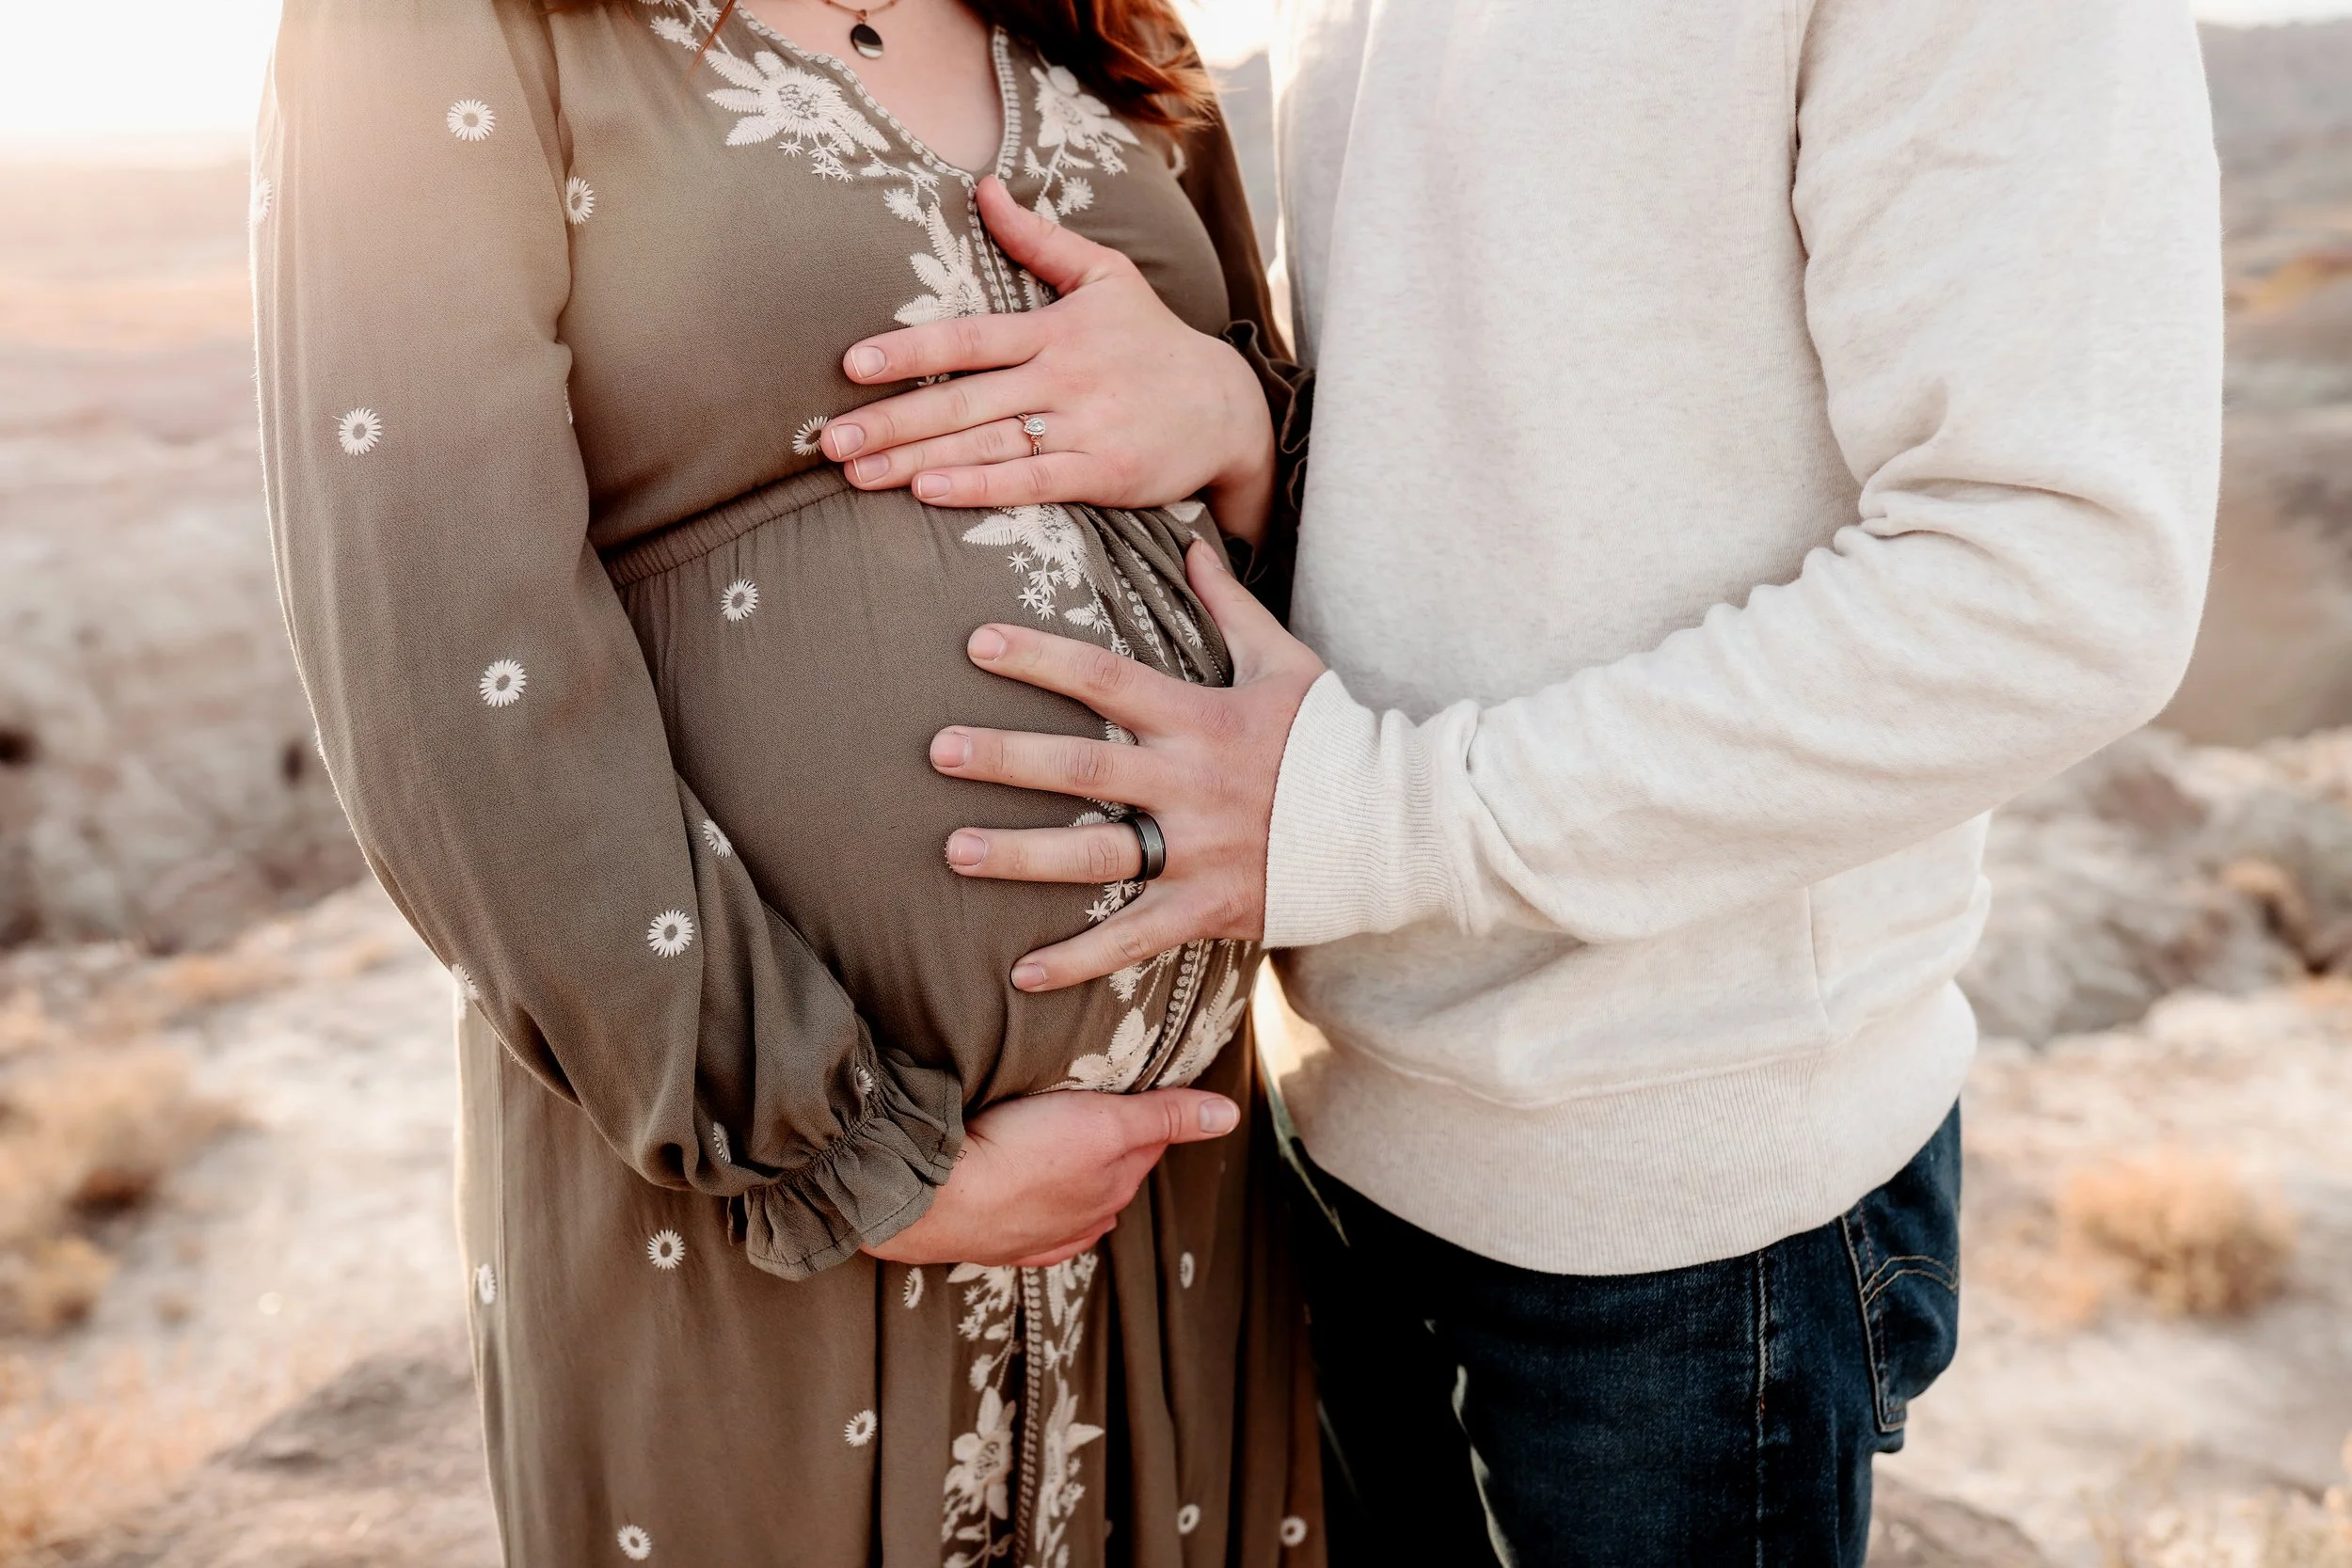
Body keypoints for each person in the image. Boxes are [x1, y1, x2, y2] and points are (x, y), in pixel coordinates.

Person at [819, 0, 2225, 1560]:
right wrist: (1241, 424)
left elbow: (2054, 583)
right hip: (1334, 1117)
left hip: (1673, 1197)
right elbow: (1470, 462)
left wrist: (1377, 819)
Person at [251, 0, 1324, 1562]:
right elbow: (439, 639)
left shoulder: (1108, 30)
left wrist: (1237, 423)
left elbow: (1324, 521)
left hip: (1182, 1193)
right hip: (753, 1204)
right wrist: (841, 1151)